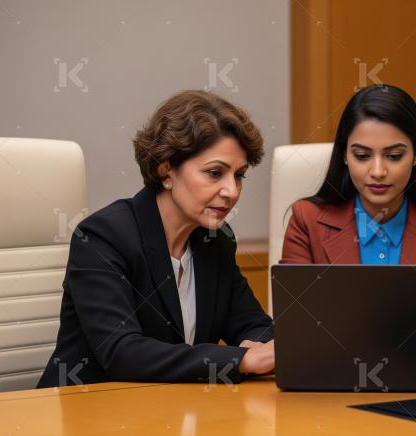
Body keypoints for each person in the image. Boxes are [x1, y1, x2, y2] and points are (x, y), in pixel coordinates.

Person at [38, 90, 275, 388]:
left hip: (170, 407)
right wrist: (241, 359)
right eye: (215, 173)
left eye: (239, 175)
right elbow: (122, 353)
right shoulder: (103, 236)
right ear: (166, 170)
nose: (232, 191)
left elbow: (254, 325)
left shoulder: (215, 239)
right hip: (87, 407)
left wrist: (262, 345)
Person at [280, 84, 416, 358]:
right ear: (344, 155)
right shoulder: (307, 221)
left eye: (393, 156)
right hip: (332, 378)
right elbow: (295, 326)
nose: (378, 171)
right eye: (362, 156)